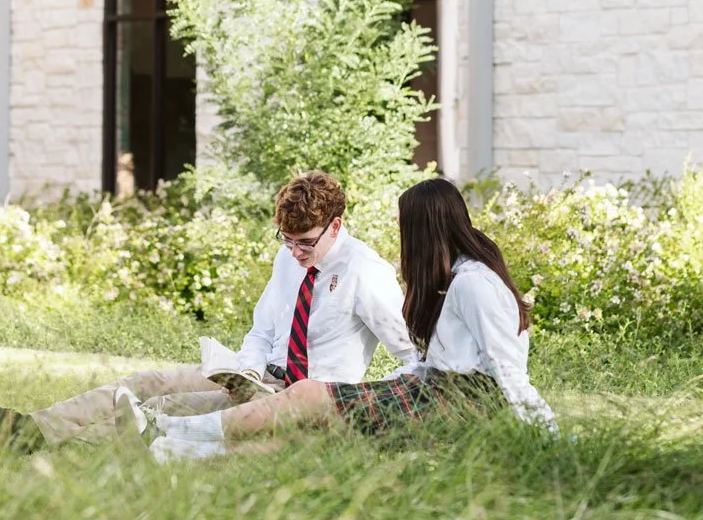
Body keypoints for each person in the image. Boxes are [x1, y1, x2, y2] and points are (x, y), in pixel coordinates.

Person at [0, 170, 418, 453]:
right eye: (287, 240)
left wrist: (371, 410)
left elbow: (410, 354)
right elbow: (263, 328)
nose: (295, 252)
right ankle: (25, 427)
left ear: (335, 225)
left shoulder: (365, 272)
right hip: (255, 375)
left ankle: (26, 443)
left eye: (306, 242)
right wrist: (249, 370)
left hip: (297, 397)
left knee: (159, 409)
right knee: (144, 382)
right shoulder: (288, 259)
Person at [114, 178, 558, 462]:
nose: (402, 239)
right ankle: (173, 451)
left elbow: (506, 369)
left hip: (459, 397)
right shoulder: (452, 278)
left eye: (406, 228)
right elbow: (429, 358)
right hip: (431, 383)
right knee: (317, 439)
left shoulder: (472, 283)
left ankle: (168, 430)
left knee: (309, 401)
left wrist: (547, 436)